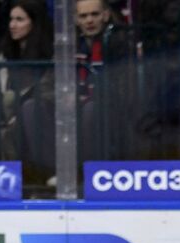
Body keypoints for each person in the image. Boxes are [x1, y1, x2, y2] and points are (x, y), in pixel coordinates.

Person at [0, 0, 54, 180]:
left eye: (20, 19)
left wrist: (17, 111)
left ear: (34, 22)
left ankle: (32, 182)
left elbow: (47, 91)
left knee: (12, 126)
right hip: (7, 117)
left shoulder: (50, 54)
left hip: (42, 114)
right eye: (11, 19)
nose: (13, 25)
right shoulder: (3, 54)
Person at [75, 0, 134, 161]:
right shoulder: (70, 45)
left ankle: (87, 171)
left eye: (95, 14)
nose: (89, 20)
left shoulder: (119, 41)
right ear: (76, 19)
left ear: (106, 15)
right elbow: (50, 83)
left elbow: (123, 85)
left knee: (90, 109)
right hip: (74, 104)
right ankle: (51, 170)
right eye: (83, 16)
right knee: (31, 107)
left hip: (109, 107)